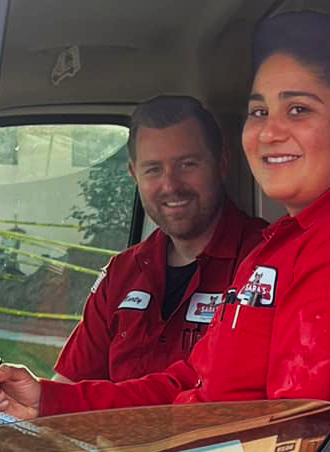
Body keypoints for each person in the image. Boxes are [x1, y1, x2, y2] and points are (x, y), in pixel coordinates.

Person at [0, 10, 330, 418]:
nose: (269, 132)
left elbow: (302, 436)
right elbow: (190, 382)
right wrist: (49, 402)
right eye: (259, 111)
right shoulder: (282, 246)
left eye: (298, 109)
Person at [55, 95, 267, 382]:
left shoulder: (266, 259)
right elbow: (67, 389)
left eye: (187, 164)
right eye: (153, 169)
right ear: (133, 174)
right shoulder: (121, 273)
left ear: (222, 163)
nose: (170, 185)